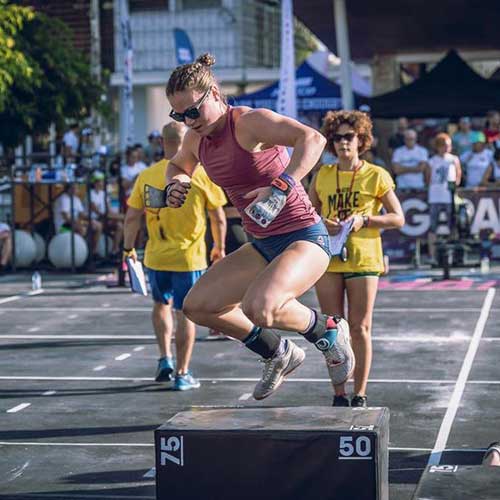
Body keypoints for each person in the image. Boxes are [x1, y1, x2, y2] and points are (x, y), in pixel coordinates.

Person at [163, 53, 355, 401]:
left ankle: (327, 329)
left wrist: (283, 185)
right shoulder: (196, 138)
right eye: (179, 115)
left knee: (259, 307)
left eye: (193, 111)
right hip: (262, 243)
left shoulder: (250, 123)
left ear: (216, 95)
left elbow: (313, 140)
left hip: (304, 236)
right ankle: (277, 352)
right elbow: (178, 165)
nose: (189, 121)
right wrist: (175, 183)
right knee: (197, 306)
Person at [308, 110, 405, 407]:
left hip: (363, 258)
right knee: (333, 331)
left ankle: (360, 392)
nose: (342, 143)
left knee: (360, 327)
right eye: (336, 138)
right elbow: (307, 214)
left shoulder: (376, 174)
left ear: (361, 139)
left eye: (348, 137)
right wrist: (324, 222)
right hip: (329, 259)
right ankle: (339, 392)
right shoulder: (322, 174)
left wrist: (366, 220)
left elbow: (398, 218)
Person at [123, 121, 227, 391]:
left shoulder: (147, 175)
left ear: (162, 143)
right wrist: (220, 247)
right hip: (189, 258)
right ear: (187, 143)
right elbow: (218, 216)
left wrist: (127, 248)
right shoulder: (201, 174)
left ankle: (164, 358)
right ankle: (182, 373)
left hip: (156, 257)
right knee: (185, 314)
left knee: (160, 305)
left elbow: (132, 216)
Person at [425, 133, 462, 262]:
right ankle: (432, 255)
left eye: (449, 146)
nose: (447, 148)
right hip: (435, 196)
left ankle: (454, 255)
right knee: (433, 226)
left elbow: (458, 175)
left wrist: (454, 186)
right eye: (444, 146)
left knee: (452, 224)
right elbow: (427, 178)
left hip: (449, 196)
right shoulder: (432, 160)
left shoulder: (453, 159)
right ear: (438, 146)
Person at [53, 184, 102, 254]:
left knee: (98, 225)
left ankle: (94, 251)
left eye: (77, 189)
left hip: (74, 223)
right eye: (76, 188)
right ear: (69, 189)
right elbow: (66, 218)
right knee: (82, 229)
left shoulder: (76, 199)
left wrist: (91, 220)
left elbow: (82, 214)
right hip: (63, 227)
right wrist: (82, 223)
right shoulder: (63, 199)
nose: (77, 191)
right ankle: (81, 252)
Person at [89, 171, 124, 256]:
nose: (102, 183)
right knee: (121, 218)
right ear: (95, 182)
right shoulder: (90, 193)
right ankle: (94, 252)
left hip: (105, 218)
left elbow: (109, 209)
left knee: (120, 225)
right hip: (95, 219)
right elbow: (96, 210)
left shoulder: (104, 194)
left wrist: (113, 216)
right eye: (100, 181)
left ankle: (115, 250)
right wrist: (112, 216)